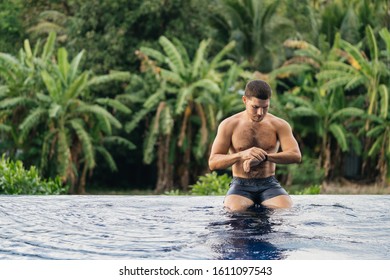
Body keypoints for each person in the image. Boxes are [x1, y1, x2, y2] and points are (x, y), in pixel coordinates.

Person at [208, 80, 301, 212]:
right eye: (255, 107)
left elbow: (295, 155)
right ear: (245, 100)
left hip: (269, 183)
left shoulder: (279, 125)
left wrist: (265, 157)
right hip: (241, 184)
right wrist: (241, 155)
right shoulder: (229, 125)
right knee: (235, 211)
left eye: (265, 107)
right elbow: (213, 162)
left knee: (286, 211)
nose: (260, 113)